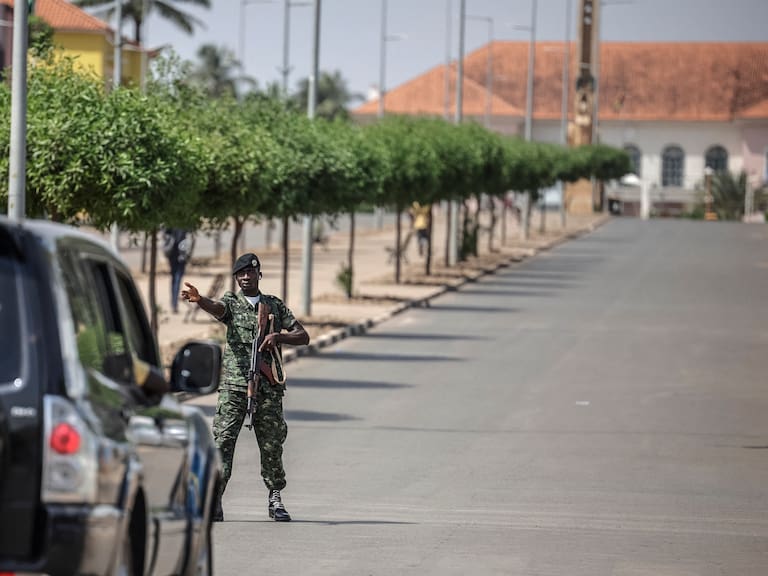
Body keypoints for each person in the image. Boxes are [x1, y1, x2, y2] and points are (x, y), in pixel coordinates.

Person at [180, 253, 309, 522]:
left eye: (250, 273)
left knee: (272, 444)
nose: (246, 277)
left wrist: (278, 336)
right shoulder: (232, 302)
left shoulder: (273, 305)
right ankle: (215, 498)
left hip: (268, 386)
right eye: (241, 274)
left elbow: (303, 336)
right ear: (237, 277)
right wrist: (201, 300)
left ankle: (275, 497)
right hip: (235, 385)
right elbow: (219, 309)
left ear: (258, 274)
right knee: (223, 441)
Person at [162, 228, 194, 314]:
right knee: (177, 279)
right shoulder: (183, 222)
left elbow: (164, 233)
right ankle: (174, 303)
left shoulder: (171, 223)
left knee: (174, 279)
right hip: (179, 255)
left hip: (172, 254)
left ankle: (173, 303)